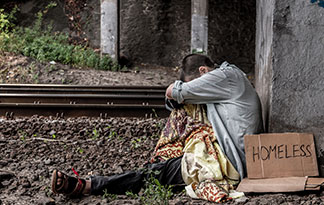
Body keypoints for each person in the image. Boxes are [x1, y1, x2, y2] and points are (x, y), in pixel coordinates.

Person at [51, 54, 263, 202]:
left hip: (229, 163)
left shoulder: (224, 76)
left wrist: (181, 93)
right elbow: (176, 102)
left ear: (203, 71)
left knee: (153, 175)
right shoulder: (229, 79)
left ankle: (87, 185)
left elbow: (175, 92)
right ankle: (162, 163)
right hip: (224, 154)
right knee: (182, 113)